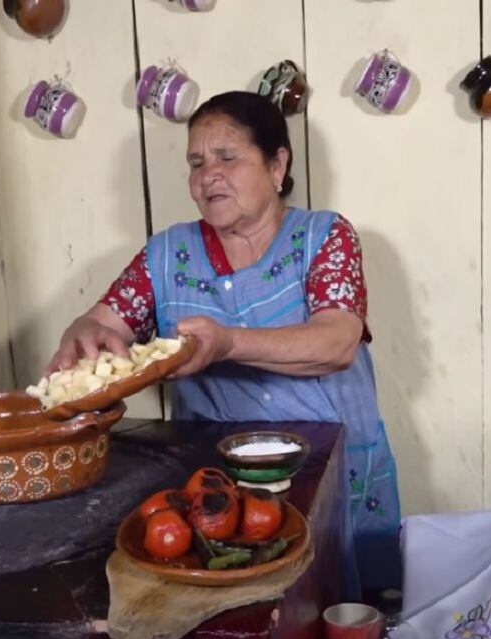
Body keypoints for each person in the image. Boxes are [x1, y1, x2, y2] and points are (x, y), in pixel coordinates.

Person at [47, 91, 400, 597]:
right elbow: (105, 325)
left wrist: (227, 342)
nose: (207, 174)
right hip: (218, 488)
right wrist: (82, 332)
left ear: (278, 164)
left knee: (345, 616)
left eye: (227, 157)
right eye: (196, 162)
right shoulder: (168, 254)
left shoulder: (324, 237)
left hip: (326, 471)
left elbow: (337, 342)